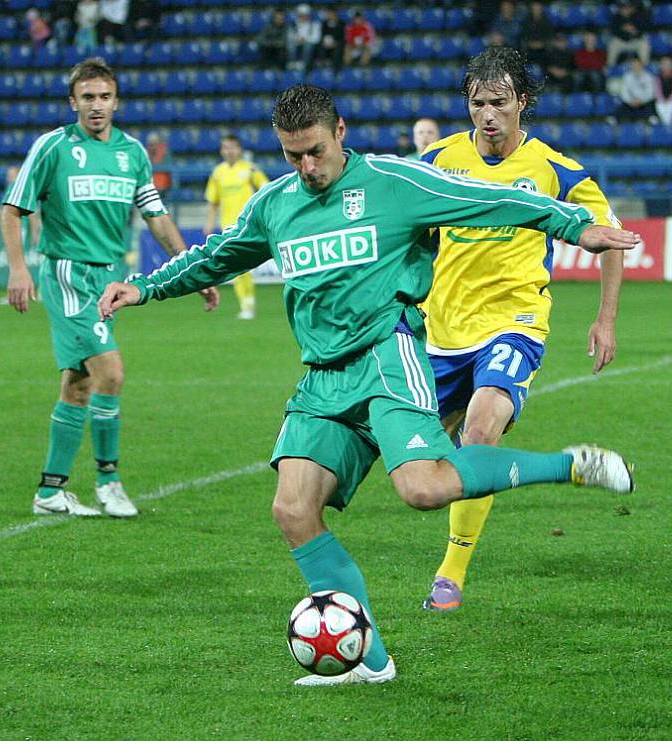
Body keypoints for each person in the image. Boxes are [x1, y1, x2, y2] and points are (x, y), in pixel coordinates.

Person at [99, 83, 639, 685]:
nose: (306, 168)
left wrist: (573, 227)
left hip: (388, 357)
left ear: (341, 133)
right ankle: (371, 662)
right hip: (322, 378)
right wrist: (145, 287)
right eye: (292, 156)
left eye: (315, 152)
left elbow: (485, 200)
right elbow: (219, 255)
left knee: (423, 489)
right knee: (293, 509)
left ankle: (566, 465)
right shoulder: (276, 204)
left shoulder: (393, 183)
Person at [419, 47, 627, 613]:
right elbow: (412, 233)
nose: (487, 115)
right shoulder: (438, 159)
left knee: (482, 432)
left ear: (522, 104)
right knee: (424, 474)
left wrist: (604, 320)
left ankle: (451, 575)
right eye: (477, 103)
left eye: (499, 103)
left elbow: (612, 238)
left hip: (515, 323)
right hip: (441, 331)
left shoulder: (555, 169)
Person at [2, 57, 218, 519]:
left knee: (79, 384)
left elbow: (156, 217)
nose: (96, 106)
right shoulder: (53, 147)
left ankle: (51, 491)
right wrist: (18, 268)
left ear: (116, 101)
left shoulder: (132, 154)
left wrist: (192, 269)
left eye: (104, 97)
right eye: (87, 98)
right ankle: (108, 481)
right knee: (111, 373)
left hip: (108, 278)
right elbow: (13, 209)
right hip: (66, 273)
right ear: (73, 102)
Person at [203, 134, 269, 320]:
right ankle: (247, 304)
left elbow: (266, 190)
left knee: (242, 266)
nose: (229, 151)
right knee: (239, 267)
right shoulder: (218, 173)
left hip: (248, 224)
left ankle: (247, 305)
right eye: (225, 147)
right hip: (228, 226)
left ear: (239, 149)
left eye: (232, 147)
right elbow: (213, 201)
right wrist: (209, 222)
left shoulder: (250, 169)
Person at [606, 0, 651, 68]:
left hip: (635, 41)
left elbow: (644, 29)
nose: (625, 10)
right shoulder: (616, 17)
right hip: (621, 42)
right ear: (620, 9)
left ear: (631, 8)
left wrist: (635, 31)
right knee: (612, 45)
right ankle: (610, 68)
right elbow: (614, 31)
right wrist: (623, 30)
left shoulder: (637, 16)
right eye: (623, 8)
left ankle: (646, 68)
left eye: (627, 8)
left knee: (644, 44)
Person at [615, 56, 656, 123]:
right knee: (621, 108)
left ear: (641, 66)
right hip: (630, 102)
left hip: (644, 102)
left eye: (637, 65)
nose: (635, 67)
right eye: (633, 65)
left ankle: (651, 119)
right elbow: (624, 92)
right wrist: (630, 101)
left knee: (650, 107)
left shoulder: (648, 77)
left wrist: (641, 100)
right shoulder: (626, 76)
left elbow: (650, 93)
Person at [287, 3, 321, 74]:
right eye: (300, 15)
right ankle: (292, 62)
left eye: (305, 15)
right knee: (290, 44)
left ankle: (305, 64)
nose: (302, 17)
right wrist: (296, 39)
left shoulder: (314, 24)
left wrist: (305, 39)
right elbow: (290, 36)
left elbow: (316, 38)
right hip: (296, 43)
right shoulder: (293, 24)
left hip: (309, 45)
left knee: (307, 46)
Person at [519, 1, 553, 66]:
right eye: (534, 8)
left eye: (538, 8)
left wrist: (542, 44)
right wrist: (530, 44)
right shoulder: (526, 20)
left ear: (542, 9)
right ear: (531, 9)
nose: (536, 10)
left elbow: (550, 36)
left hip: (543, 50)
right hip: (529, 49)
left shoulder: (547, 21)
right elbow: (523, 36)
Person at [654, 55, 672, 127]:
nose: (666, 66)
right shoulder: (657, 77)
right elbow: (657, 92)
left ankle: (667, 127)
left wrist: (669, 100)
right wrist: (663, 99)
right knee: (660, 106)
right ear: (661, 65)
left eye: (668, 64)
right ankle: (668, 127)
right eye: (664, 64)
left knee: (670, 107)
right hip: (662, 101)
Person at [315, 6, 344, 74]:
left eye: (332, 14)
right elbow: (322, 35)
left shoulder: (341, 23)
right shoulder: (324, 23)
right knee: (320, 46)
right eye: (329, 14)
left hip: (337, 43)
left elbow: (342, 37)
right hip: (326, 44)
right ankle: (322, 68)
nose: (330, 15)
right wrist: (325, 42)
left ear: (335, 14)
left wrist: (335, 43)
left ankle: (335, 70)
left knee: (338, 48)